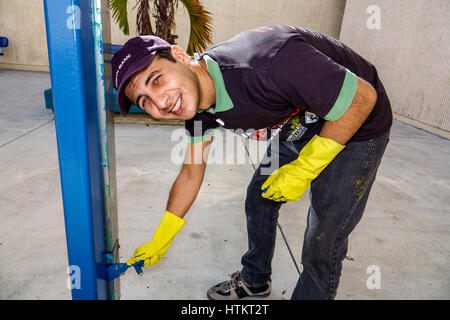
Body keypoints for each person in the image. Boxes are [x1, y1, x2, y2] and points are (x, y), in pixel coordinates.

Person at [111, 24, 392, 300]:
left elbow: (362, 97)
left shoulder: (266, 63)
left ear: (180, 56)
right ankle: (255, 280)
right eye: (144, 100)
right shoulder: (195, 106)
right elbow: (191, 172)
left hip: (358, 124)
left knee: (323, 240)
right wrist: (162, 235)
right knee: (260, 198)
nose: (159, 103)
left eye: (157, 79)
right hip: (301, 122)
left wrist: (306, 167)